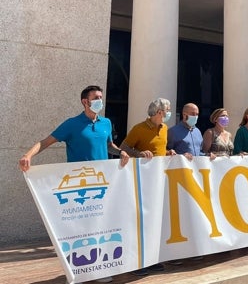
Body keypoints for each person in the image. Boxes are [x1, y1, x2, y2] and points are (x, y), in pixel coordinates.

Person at [19, 85, 130, 173]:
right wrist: (27, 155)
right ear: (85, 102)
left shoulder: (106, 123)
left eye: (101, 98)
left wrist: (121, 152)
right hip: (78, 178)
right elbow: (45, 142)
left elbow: (108, 146)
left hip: (103, 175)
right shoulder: (71, 124)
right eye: (96, 98)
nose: (100, 101)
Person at [121, 97, 174, 275]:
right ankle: (137, 262)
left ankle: (151, 259)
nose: (168, 113)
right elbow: (124, 147)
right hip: (141, 182)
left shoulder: (164, 128)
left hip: (158, 181)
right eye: (167, 110)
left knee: (155, 221)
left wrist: (168, 152)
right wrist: (139, 153)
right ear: (159, 112)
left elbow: (159, 150)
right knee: (140, 221)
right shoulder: (139, 129)